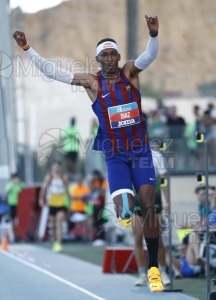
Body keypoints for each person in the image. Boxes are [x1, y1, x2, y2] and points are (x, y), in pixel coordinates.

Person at [13, 15, 164, 291]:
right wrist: (27, 49)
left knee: (149, 206)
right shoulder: (92, 83)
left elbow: (149, 56)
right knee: (126, 209)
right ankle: (123, 211)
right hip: (115, 155)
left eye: (112, 53)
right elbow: (53, 72)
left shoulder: (130, 73)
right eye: (103, 55)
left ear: (118, 56)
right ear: (98, 60)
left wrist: (153, 34)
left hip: (140, 151)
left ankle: (154, 269)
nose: (109, 58)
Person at [133, 144, 170, 286]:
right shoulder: (130, 156)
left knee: (157, 238)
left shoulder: (156, 155)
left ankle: (163, 271)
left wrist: (167, 200)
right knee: (137, 237)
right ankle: (142, 273)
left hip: (155, 201)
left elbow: (163, 179)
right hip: (137, 201)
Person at [39, 161, 69, 252]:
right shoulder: (49, 177)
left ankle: (59, 243)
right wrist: (41, 199)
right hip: (51, 203)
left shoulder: (64, 177)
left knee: (59, 222)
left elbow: (67, 190)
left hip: (61, 203)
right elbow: (43, 188)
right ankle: (55, 240)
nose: (56, 168)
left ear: (60, 168)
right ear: (52, 168)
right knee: (53, 224)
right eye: (54, 167)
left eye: (57, 167)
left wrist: (70, 202)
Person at [68, 174, 90, 241]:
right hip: (74, 209)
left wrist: (78, 197)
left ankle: (85, 236)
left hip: (83, 209)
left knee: (87, 222)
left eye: (80, 180)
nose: (79, 181)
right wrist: (81, 197)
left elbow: (86, 198)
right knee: (71, 222)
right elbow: (73, 197)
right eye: (77, 180)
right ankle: (70, 235)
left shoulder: (86, 188)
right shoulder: (74, 188)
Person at [5, 172, 24, 241]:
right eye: (14, 178)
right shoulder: (10, 185)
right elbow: (7, 191)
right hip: (12, 204)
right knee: (12, 220)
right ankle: (14, 234)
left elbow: (24, 190)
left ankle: (20, 233)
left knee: (19, 220)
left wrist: (19, 184)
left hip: (20, 204)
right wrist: (13, 184)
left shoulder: (21, 184)